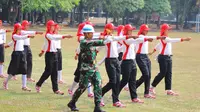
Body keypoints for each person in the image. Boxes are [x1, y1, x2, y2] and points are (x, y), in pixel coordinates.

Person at [68, 24, 109, 112]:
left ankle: (97, 107)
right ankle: (72, 102)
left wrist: (105, 36)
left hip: (94, 67)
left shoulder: (90, 40)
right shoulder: (84, 42)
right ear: (86, 34)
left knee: (98, 84)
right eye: (90, 33)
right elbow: (98, 42)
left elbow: (97, 42)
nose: (92, 35)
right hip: (86, 68)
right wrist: (105, 39)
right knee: (82, 87)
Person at [101, 23, 138, 107]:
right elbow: (103, 43)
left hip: (116, 60)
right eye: (112, 28)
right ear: (107, 29)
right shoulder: (107, 38)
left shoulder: (113, 37)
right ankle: (100, 93)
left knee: (117, 81)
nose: (113, 30)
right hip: (109, 61)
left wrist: (128, 36)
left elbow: (119, 38)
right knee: (113, 81)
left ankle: (115, 101)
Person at [149, 23, 191, 96]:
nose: (168, 31)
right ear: (164, 30)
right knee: (163, 73)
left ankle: (169, 90)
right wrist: (184, 39)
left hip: (168, 57)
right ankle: (151, 87)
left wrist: (153, 51)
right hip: (163, 58)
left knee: (169, 73)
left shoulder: (165, 38)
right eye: (167, 29)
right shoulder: (164, 38)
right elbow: (173, 40)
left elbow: (159, 45)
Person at [118, 24, 154, 104]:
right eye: (130, 30)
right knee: (124, 80)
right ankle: (115, 95)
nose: (131, 32)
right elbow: (135, 40)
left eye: (132, 30)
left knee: (132, 81)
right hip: (126, 62)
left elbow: (133, 43)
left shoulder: (130, 39)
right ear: (127, 31)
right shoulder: (126, 39)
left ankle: (134, 98)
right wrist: (146, 39)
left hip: (133, 61)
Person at [36, 20, 72, 95]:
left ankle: (56, 89)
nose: (54, 27)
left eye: (54, 26)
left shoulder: (54, 34)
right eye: (52, 26)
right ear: (49, 27)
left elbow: (54, 39)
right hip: (49, 55)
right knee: (48, 71)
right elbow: (53, 38)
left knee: (55, 72)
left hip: (55, 54)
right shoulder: (48, 35)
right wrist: (65, 36)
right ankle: (38, 84)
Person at [135, 24, 166, 99]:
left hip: (145, 56)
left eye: (147, 30)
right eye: (145, 30)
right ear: (142, 30)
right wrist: (159, 37)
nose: (147, 31)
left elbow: (149, 38)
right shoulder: (140, 36)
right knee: (146, 74)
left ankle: (146, 93)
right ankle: (134, 86)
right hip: (140, 56)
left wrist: (152, 38)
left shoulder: (144, 37)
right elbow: (146, 38)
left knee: (148, 75)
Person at [3, 23, 34, 91]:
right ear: (16, 28)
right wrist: (28, 36)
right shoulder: (14, 35)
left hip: (22, 53)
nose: (20, 30)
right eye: (19, 28)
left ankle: (24, 86)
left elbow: (14, 42)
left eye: (21, 28)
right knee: (13, 71)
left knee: (24, 70)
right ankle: (5, 82)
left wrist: (7, 45)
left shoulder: (20, 35)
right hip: (16, 54)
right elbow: (19, 38)